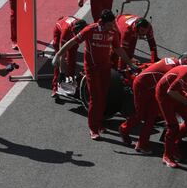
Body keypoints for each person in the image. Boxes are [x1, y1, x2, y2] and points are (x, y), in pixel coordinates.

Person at [52, 9, 137, 140]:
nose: (112, 26)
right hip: (92, 69)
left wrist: (130, 64)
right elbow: (72, 42)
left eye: (113, 23)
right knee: (95, 98)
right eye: (109, 24)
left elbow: (118, 49)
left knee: (104, 97)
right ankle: (93, 128)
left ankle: (99, 123)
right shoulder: (90, 30)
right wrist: (59, 55)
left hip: (105, 68)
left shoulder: (112, 32)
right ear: (102, 22)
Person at [118, 52, 187, 154]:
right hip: (142, 86)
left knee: (151, 117)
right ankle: (124, 129)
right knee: (140, 115)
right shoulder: (175, 68)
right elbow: (174, 89)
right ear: (186, 61)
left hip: (154, 88)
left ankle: (141, 144)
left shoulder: (173, 61)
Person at [51, 16, 87, 98]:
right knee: (58, 63)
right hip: (59, 33)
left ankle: (71, 81)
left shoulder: (85, 28)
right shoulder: (66, 31)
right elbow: (61, 55)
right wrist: (62, 73)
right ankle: (55, 87)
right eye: (75, 32)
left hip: (71, 34)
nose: (76, 34)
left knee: (72, 59)